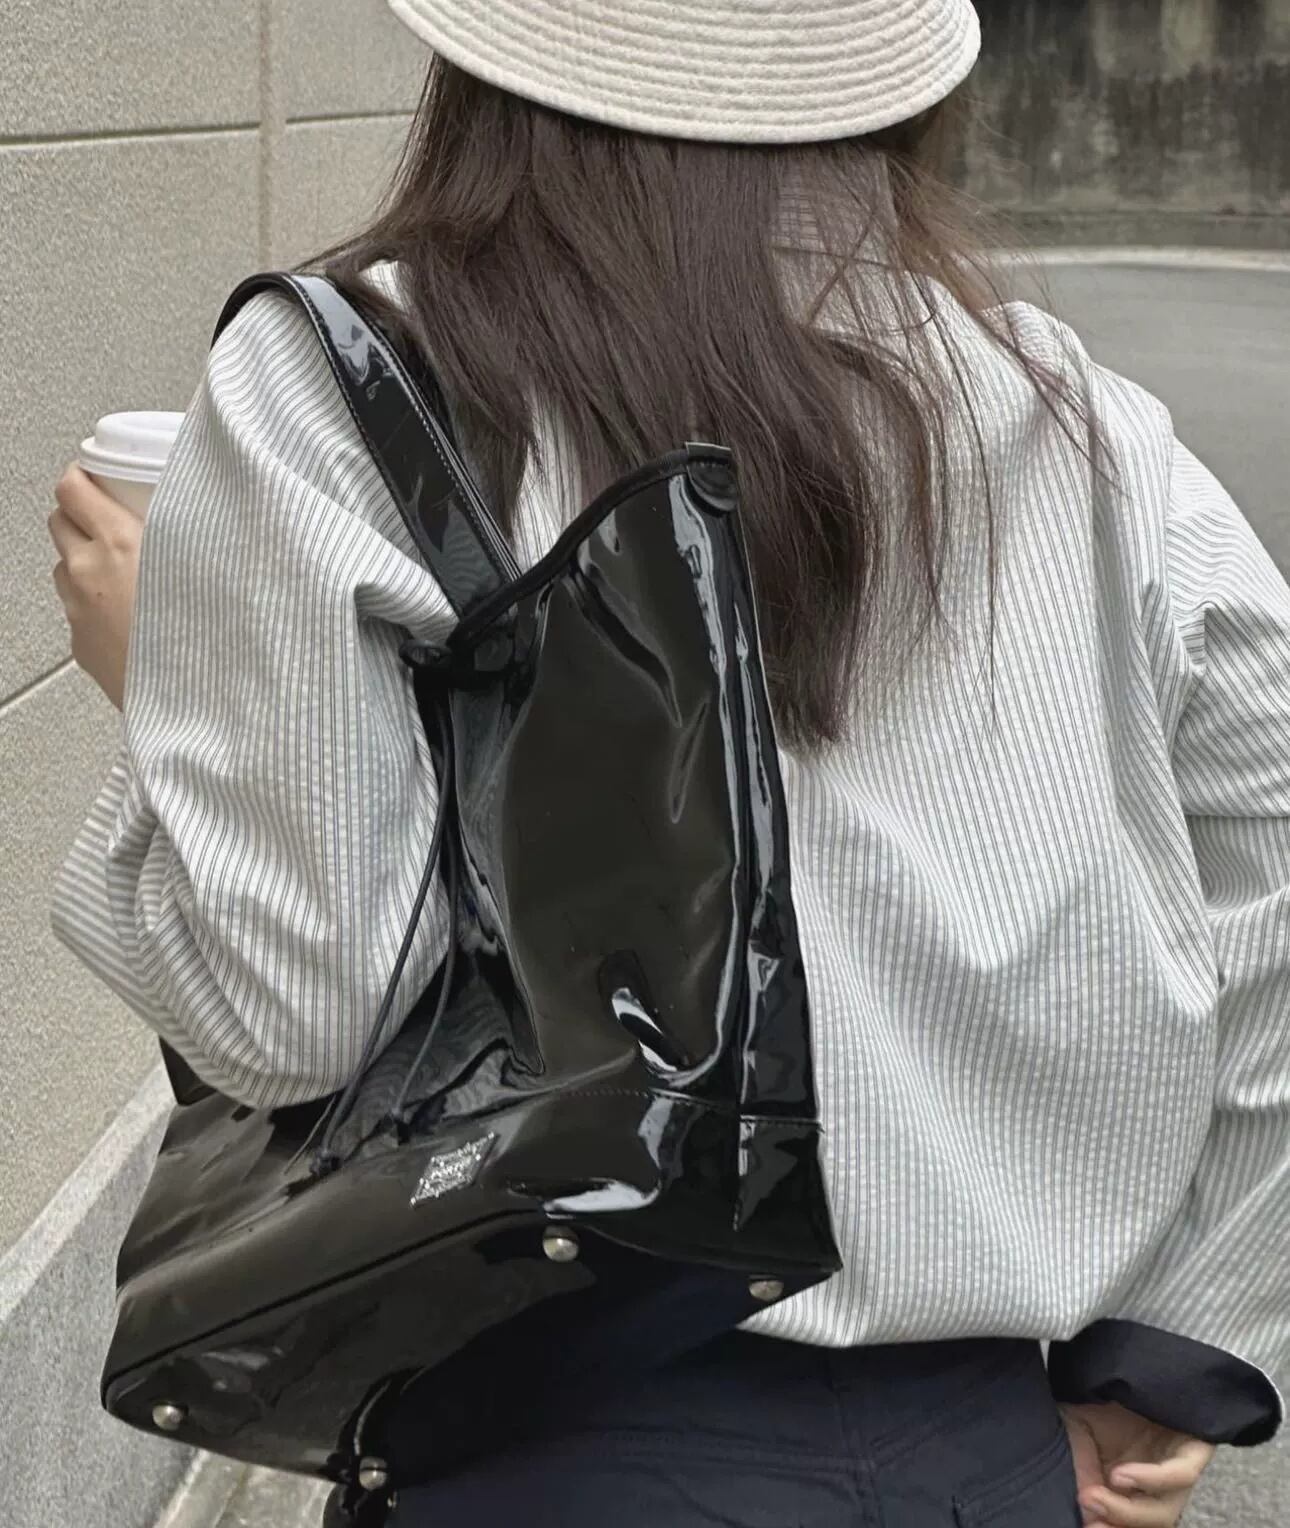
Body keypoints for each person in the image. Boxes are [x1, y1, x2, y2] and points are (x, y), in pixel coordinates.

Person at [47, 1, 1288, 1524]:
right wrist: (1174, 1342)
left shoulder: (366, 371)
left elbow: (287, 1009)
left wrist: (154, 678)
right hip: (979, 1453)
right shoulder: (1066, 411)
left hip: (548, 1429)